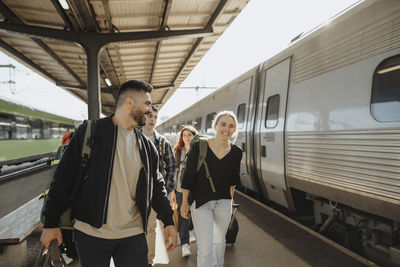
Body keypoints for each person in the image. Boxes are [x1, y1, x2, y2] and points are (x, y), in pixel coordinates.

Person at [40, 80, 177, 267]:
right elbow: (62, 179)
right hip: (91, 233)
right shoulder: (89, 134)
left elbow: (157, 187)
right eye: (146, 103)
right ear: (129, 102)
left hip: (132, 234)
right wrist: (50, 223)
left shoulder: (147, 147)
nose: (150, 110)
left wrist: (168, 221)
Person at [180, 111, 242, 267]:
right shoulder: (200, 147)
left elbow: (233, 182)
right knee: (206, 247)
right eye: (223, 124)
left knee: (219, 244)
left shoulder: (236, 152)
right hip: (201, 203)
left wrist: (231, 202)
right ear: (215, 126)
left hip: (223, 204)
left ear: (234, 130)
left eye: (231, 126)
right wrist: (185, 203)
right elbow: (189, 177)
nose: (226, 129)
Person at [142, 106, 176, 266]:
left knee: (150, 228)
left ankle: (148, 261)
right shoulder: (132, 138)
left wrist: (164, 192)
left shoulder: (163, 143)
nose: (152, 119)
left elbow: (171, 169)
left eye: (155, 116)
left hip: (154, 194)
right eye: (149, 116)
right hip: (134, 194)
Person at [171, 125, 198, 258]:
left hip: (196, 188)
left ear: (194, 136)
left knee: (195, 212)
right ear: (181, 137)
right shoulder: (177, 151)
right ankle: (185, 244)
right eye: (184, 135)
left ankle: (191, 229)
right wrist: (173, 191)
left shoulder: (198, 151)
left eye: (189, 135)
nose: (187, 137)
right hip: (180, 188)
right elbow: (174, 172)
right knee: (183, 214)